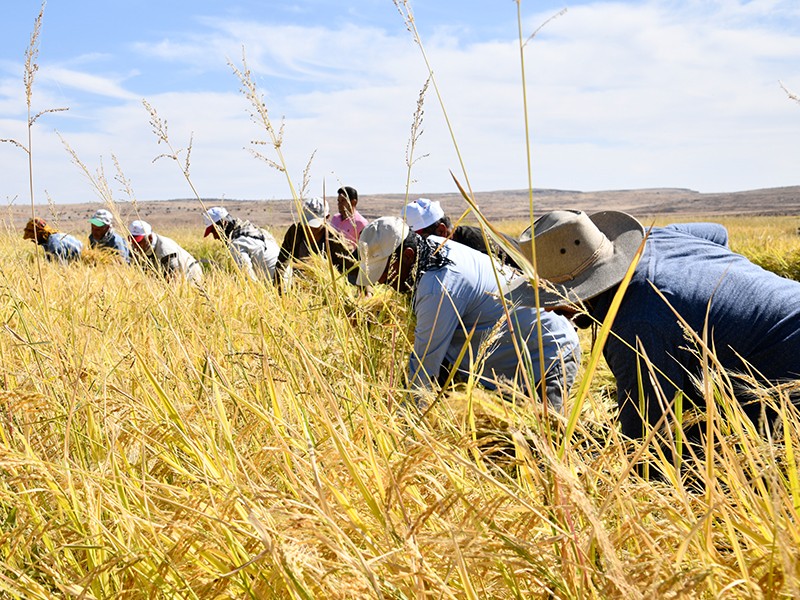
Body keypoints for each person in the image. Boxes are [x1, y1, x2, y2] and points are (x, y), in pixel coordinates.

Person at [516, 209, 800, 442]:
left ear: (576, 291)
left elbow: (647, 446)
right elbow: (717, 233)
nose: (550, 309)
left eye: (550, 298)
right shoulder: (656, 237)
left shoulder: (634, 325)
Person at [357, 216, 581, 411]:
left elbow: (425, 368)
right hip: (507, 367)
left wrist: (403, 429)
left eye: (385, 272)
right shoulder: (433, 246)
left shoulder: (439, 286)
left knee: (545, 446)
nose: (382, 282)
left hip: (547, 356)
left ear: (407, 255)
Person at [402, 198, 521, 269]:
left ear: (441, 231)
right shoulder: (458, 244)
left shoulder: (477, 249)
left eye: (420, 238)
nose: (417, 244)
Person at [275, 197, 357, 285]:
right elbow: (282, 260)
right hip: (300, 287)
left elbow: (354, 267)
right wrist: (278, 284)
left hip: (327, 287)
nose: (309, 229)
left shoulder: (334, 239)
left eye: (314, 226)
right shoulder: (295, 232)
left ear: (327, 218)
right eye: (306, 223)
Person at [203, 206, 280, 280]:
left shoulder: (237, 245)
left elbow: (249, 279)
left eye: (214, 231)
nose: (215, 237)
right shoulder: (257, 230)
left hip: (276, 286)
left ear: (224, 223)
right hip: (287, 278)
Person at [128, 220, 203, 284]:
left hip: (190, 275)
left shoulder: (165, 250)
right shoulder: (137, 248)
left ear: (150, 238)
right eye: (133, 241)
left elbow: (173, 279)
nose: (135, 245)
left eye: (139, 242)